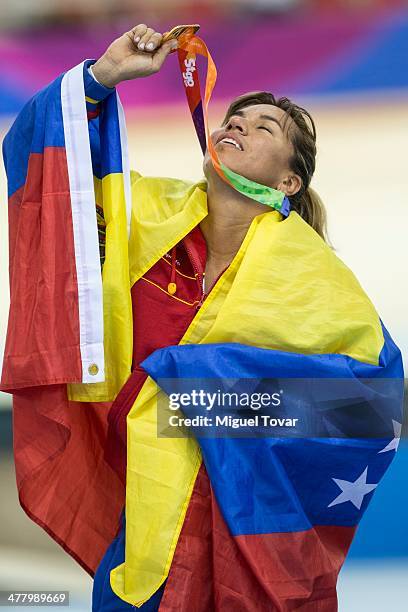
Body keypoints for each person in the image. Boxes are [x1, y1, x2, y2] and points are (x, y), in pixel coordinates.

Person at [1, 23, 403, 612]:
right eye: (235, 117)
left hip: (243, 543)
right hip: (140, 535)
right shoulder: (143, 216)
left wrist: (201, 384)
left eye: (264, 126)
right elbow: (49, 174)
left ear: (289, 181)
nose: (238, 123)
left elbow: (370, 409)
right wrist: (104, 76)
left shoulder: (317, 283)